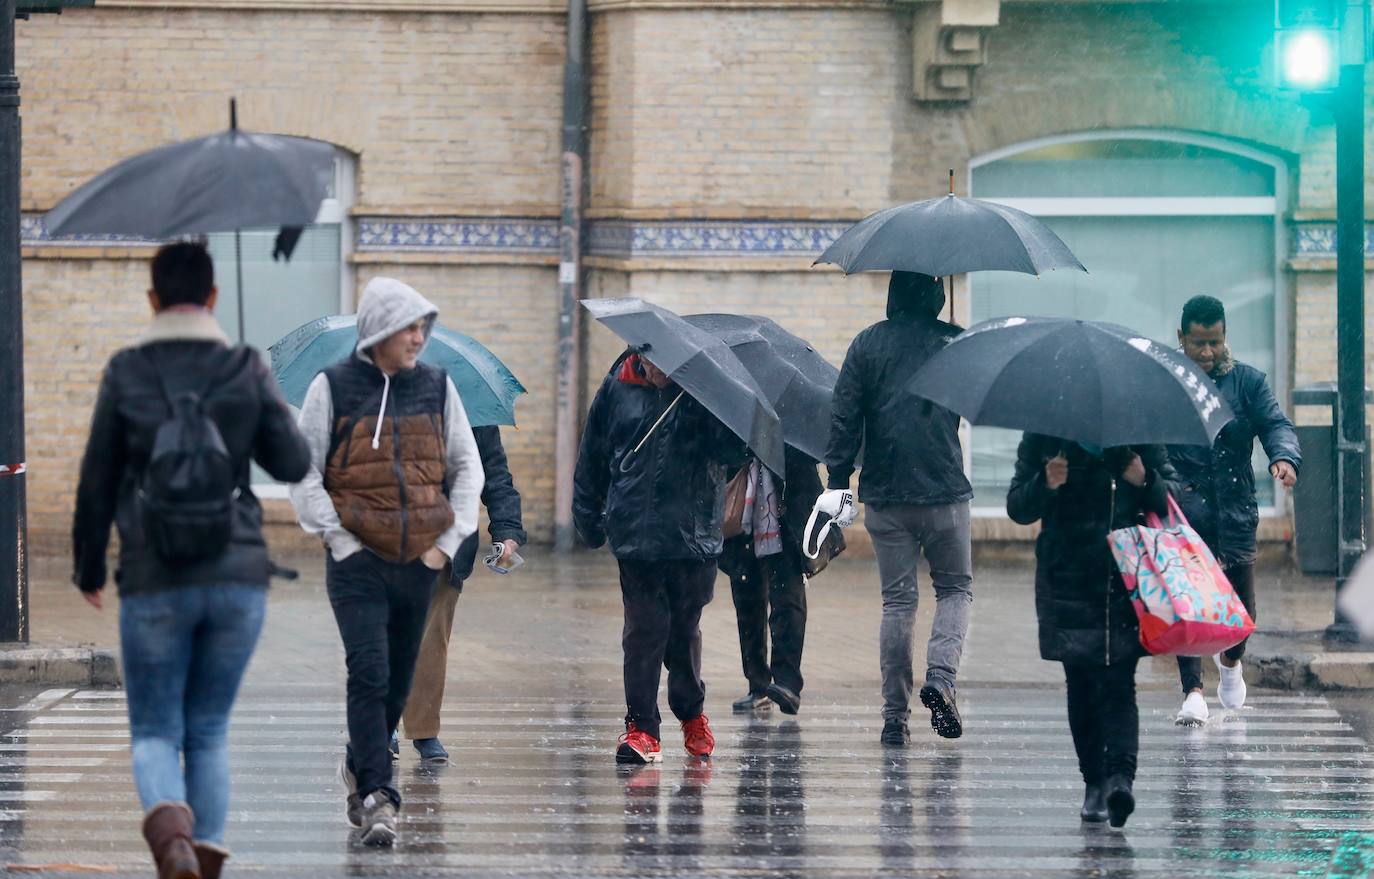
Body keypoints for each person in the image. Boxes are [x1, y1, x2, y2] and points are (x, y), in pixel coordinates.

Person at [72, 241, 311, 879]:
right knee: (208, 730)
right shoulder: (241, 366)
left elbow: (97, 479)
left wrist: (89, 568)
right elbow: (291, 463)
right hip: (236, 577)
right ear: (211, 296)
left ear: (152, 299)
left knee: (155, 731)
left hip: (153, 578)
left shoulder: (126, 370)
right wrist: (253, 394)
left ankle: (170, 834)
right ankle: (198, 857)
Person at [289, 277, 483, 846]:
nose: (420, 337)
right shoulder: (334, 388)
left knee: (398, 682)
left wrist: (444, 545)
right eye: (409, 327)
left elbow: (467, 467)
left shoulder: (438, 388)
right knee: (368, 671)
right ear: (378, 330)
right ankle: (378, 794)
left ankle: (359, 759)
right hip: (356, 562)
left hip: (419, 561)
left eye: (424, 325)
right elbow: (304, 470)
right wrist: (339, 540)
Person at [819, 271, 974, 746]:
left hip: (885, 494)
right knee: (955, 590)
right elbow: (970, 403)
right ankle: (941, 680)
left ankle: (894, 718)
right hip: (944, 490)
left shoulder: (867, 345)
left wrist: (839, 481)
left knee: (898, 601)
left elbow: (843, 415)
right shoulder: (956, 343)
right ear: (935, 295)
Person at [573, 348, 745, 764]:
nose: (656, 369)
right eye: (649, 361)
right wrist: (587, 516)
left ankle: (691, 713)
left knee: (683, 633)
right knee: (644, 632)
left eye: (665, 364)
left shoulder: (705, 394)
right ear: (637, 354)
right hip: (636, 534)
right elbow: (593, 453)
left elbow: (733, 454)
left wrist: (713, 410)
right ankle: (641, 728)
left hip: (694, 537)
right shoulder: (617, 387)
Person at [1007, 436, 1178, 828]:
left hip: (1127, 580)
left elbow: (1173, 500)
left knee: (1120, 683)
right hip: (1067, 577)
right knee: (1081, 685)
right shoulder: (1045, 435)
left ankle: (1121, 781)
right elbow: (1017, 507)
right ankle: (1094, 783)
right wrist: (1046, 482)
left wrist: (1143, 478)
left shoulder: (1139, 431)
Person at [1169, 295, 1300, 725]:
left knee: (1242, 612)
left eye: (1215, 343)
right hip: (1185, 510)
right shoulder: (1168, 383)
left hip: (1236, 509)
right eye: (1198, 343)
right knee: (1189, 605)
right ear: (1181, 338)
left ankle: (1230, 662)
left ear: (1225, 339)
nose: (1207, 353)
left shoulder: (1248, 383)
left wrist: (1283, 458)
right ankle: (1192, 691)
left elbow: (1275, 424)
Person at [401, 424, 526, 762]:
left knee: (430, 641)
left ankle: (424, 729)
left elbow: (495, 473)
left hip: (447, 537)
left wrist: (507, 529)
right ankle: (378, 726)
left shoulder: (471, 410)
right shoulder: (379, 394)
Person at [720, 446, 823, 715]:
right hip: (743, 510)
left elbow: (813, 452)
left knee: (788, 598)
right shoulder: (737, 407)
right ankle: (757, 684)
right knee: (747, 600)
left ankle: (788, 683)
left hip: (789, 511)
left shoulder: (796, 411)